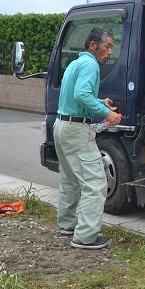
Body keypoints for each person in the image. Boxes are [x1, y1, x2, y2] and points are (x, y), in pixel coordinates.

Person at [54, 26, 122, 250]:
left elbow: (77, 96)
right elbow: (81, 95)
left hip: (61, 125)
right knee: (95, 183)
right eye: (107, 46)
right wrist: (108, 114)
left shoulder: (75, 63)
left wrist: (101, 103)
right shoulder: (91, 65)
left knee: (70, 179)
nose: (110, 52)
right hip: (76, 131)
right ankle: (85, 237)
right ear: (93, 45)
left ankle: (67, 224)